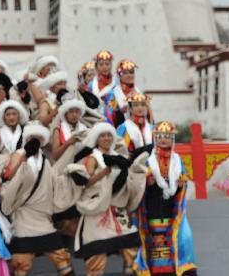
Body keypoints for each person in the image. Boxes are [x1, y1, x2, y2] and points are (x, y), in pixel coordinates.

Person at [61, 122, 146, 276]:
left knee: (130, 246)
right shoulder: (93, 158)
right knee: (96, 255)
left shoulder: (119, 157)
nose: (106, 138)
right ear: (96, 139)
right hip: (97, 211)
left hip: (117, 210)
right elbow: (85, 184)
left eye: (108, 135)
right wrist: (104, 172)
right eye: (102, 135)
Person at [0, 122, 73, 276]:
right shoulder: (18, 155)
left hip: (42, 215)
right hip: (23, 215)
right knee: (21, 262)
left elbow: (54, 181)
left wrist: (70, 178)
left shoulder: (44, 160)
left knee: (61, 258)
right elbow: (9, 179)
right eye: (32, 137)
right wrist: (23, 160)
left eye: (37, 138)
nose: (34, 140)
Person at [134, 122, 197, 276]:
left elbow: (184, 178)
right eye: (160, 136)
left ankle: (179, 268)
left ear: (172, 139)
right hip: (153, 205)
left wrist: (182, 183)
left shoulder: (177, 160)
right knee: (152, 243)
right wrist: (146, 182)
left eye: (167, 136)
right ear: (155, 138)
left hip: (171, 207)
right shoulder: (148, 160)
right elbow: (137, 180)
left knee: (185, 238)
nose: (163, 139)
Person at [0, 100, 28, 176]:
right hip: (2, 166)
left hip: (20, 164)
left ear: (19, 116)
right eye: (8, 115)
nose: (11, 117)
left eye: (14, 114)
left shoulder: (25, 131)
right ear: (4, 118)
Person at [88, 51, 119, 124]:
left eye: (107, 64)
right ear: (96, 67)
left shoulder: (117, 83)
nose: (105, 67)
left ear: (111, 66)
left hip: (114, 121)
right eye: (101, 64)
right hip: (95, 120)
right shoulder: (91, 85)